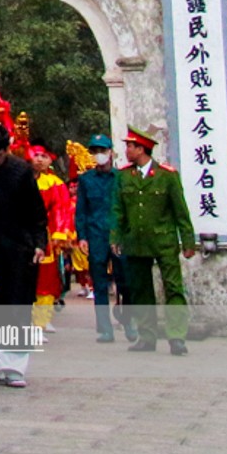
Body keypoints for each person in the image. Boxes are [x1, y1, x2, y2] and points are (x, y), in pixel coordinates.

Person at [0, 124, 45, 388]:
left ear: (7, 149)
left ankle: (14, 366)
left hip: (16, 248)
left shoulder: (21, 171)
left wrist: (39, 243)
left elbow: (36, 212)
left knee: (16, 307)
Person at [112, 124, 196, 356]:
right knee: (140, 290)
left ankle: (177, 336)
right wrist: (115, 236)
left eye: (130, 146)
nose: (127, 150)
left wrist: (187, 240)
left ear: (142, 149)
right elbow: (118, 209)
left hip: (164, 240)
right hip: (136, 241)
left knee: (173, 289)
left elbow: (180, 210)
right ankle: (147, 336)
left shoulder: (166, 176)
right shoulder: (123, 176)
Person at [74, 133, 133, 343]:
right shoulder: (86, 179)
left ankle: (128, 322)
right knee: (99, 284)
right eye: (95, 151)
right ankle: (104, 328)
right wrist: (81, 236)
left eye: (102, 151)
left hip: (119, 236)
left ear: (111, 153)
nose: (99, 155)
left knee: (125, 282)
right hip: (96, 235)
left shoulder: (122, 178)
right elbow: (81, 210)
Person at [28, 145, 75, 331]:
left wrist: (60, 234)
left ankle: (42, 318)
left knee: (47, 279)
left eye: (43, 156)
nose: (39, 159)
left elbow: (62, 210)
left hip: (46, 236)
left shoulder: (55, 184)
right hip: (23, 235)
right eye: (36, 155)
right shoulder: (20, 178)